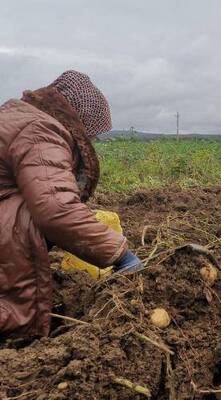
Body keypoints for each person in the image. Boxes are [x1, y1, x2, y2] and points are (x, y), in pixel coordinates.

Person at [0, 70, 142, 338]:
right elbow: (56, 209)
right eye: (92, 134)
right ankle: (17, 326)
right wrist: (121, 255)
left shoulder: (23, 117)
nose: (92, 141)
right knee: (30, 214)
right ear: (81, 120)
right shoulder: (40, 130)